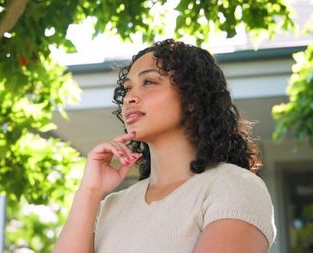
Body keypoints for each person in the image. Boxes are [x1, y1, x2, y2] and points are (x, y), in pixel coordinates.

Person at [53, 39, 276, 253]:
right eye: (127, 88)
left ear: (192, 98)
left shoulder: (234, 187)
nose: (130, 97)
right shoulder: (112, 205)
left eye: (148, 82)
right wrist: (90, 191)